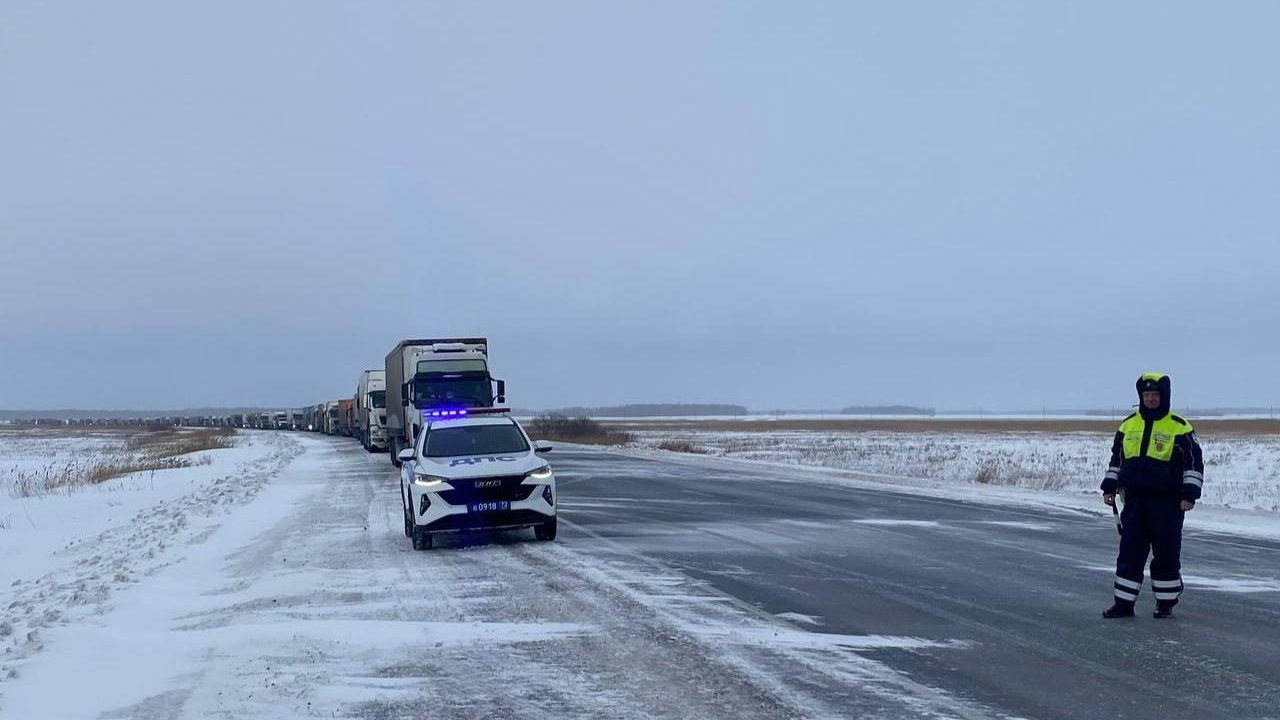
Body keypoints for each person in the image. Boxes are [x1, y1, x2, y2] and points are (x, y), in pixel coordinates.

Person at [1101, 373, 1205, 619]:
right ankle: (1123, 604)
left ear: (1164, 397)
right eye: (1146, 395)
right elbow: (1117, 460)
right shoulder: (1127, 426)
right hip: (1134, 501)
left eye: (1155, 395)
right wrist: (1109, 486)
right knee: (1130, 553)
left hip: (1168, 503)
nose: (1150, 399)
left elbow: (1194, 464)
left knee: (1166, 553)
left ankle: (1166, 602)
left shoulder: (1180, 427)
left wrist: (1190, 494)